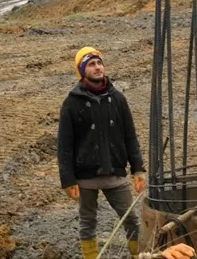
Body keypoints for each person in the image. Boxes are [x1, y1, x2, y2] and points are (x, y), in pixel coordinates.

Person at [57, 47, 147, 259]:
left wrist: (138, 169)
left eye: (99, 63)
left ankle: (138, 256)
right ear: (82, 71)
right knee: (88, 223)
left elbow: (130, 136)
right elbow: (64, 145)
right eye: (91, 64)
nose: (98, 67)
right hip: (85, 178)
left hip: (115, 174)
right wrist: (68, 180)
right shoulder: (71, 103)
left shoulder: (117, 99)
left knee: (132, 220)